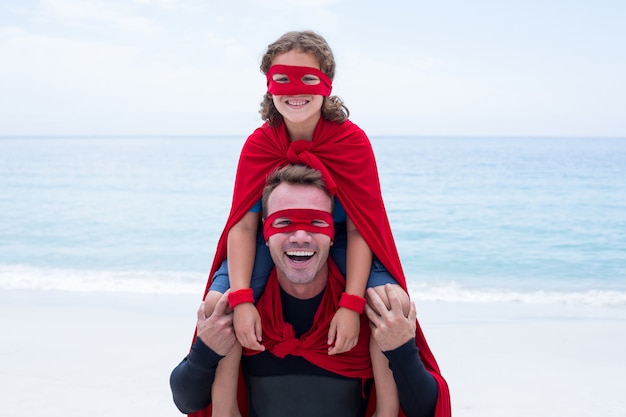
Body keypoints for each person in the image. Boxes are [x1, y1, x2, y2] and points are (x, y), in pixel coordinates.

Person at [198, 30, 450, 417]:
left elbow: (363, 226)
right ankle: (226, 409)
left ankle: (385, 409)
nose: (294, 91)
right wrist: (244, 298)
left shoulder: (352, 143)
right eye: (282, 78)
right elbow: (244, 226)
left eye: (308, 78)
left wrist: (351, 303)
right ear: (268, 85)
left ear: (327, 84)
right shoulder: (258, 145)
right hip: (274, 243)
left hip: (347, 243)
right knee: (220, 303)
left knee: (390, 304)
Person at [171, 165, 446, 417]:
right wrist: (207, 351)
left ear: (333, 233)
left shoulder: (373, 310)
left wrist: (401, 350)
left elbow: (420, 409)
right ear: (263, 232)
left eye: (316, 223)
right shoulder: (238, 314)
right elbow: (189, 401)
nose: (300, 236)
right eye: (283, 222)